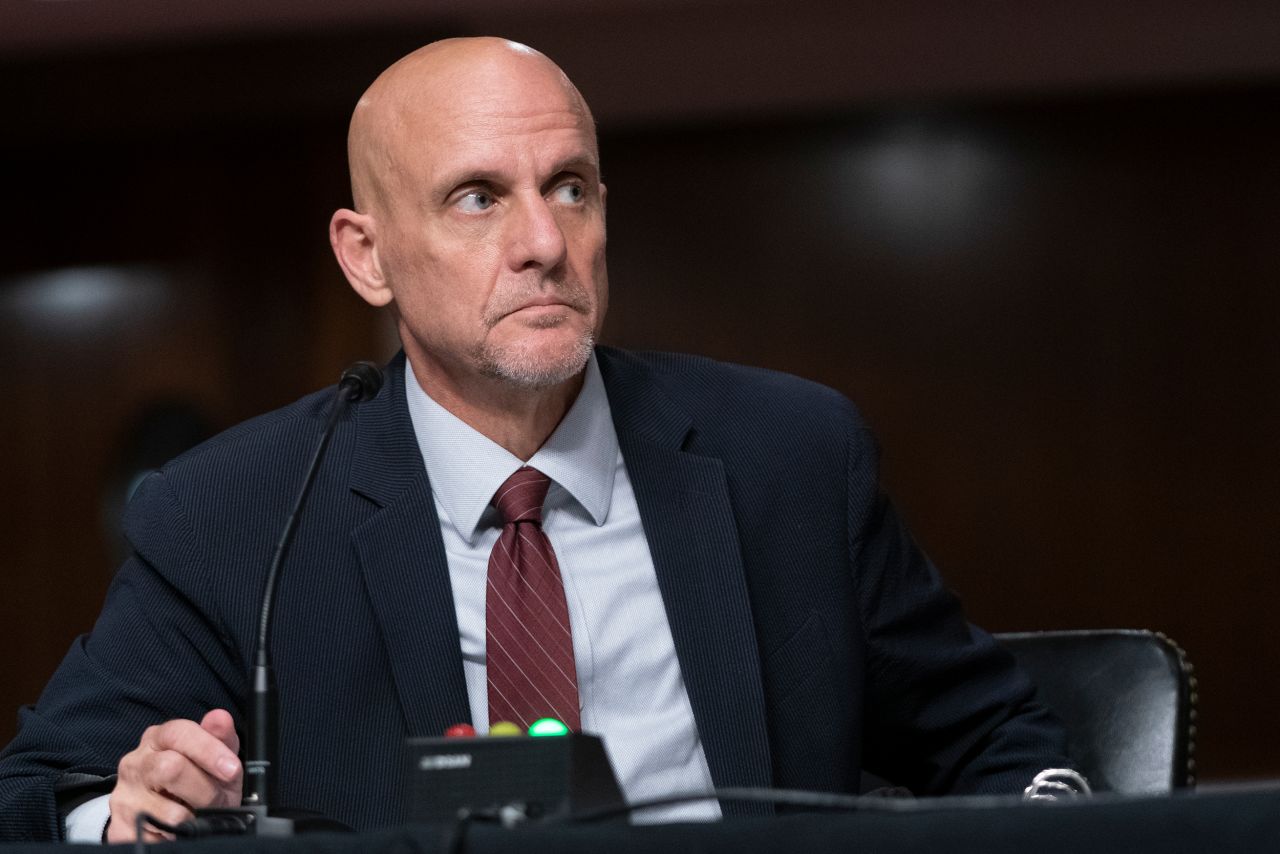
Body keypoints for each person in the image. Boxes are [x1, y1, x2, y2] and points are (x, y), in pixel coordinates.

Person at [0, 37, 1073, 843]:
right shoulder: (236, 512)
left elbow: (998, 746)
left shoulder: (787, 457)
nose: (543, 243)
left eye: (568, 187)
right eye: (477, 198)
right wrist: (124, 809)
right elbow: (36, 790)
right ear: (366, 256)